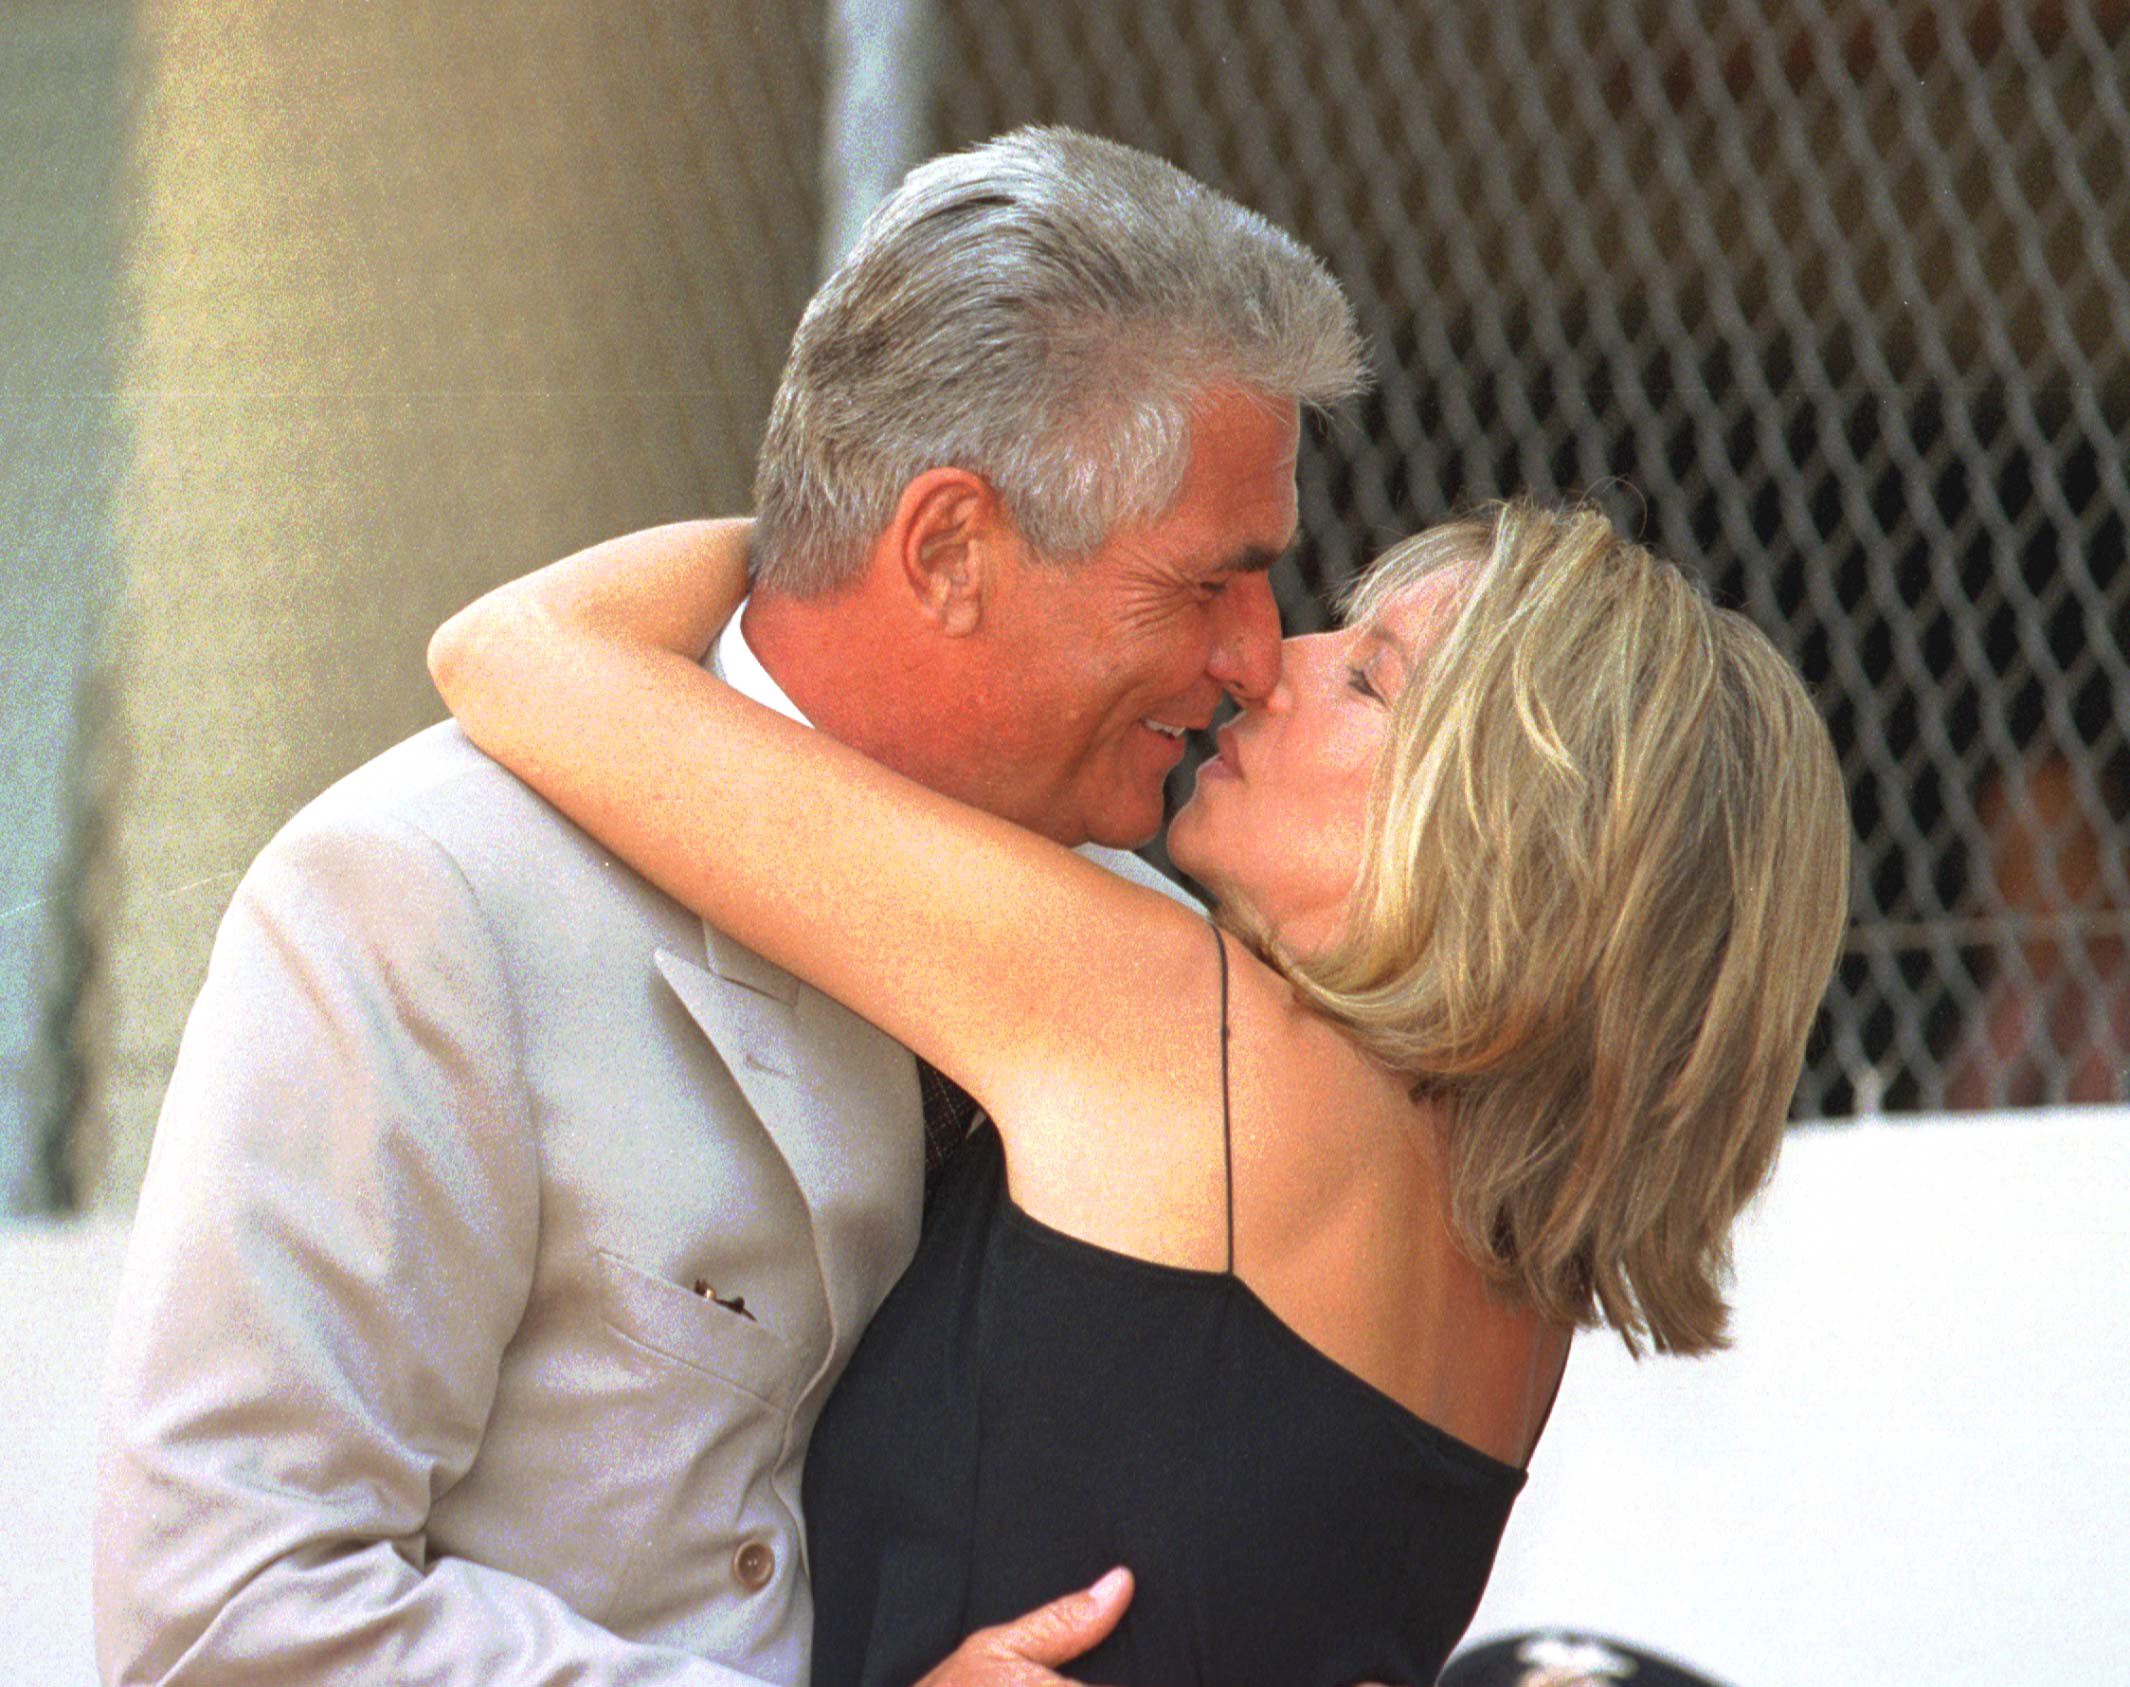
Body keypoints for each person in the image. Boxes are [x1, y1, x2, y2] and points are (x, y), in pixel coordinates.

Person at [92, 127, 1363, 1687]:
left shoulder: (1126, 933)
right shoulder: (429, 894)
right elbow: (221, 1613)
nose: (1257, 655)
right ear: (950, 548)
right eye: (1202, 584)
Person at [428, 497, 1855, 1685]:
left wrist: (892, 542)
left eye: (1367, 679)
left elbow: (524, 654)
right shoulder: (1510, 1289)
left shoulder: (1190, 1036)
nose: (1268, 659)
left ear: (1513, 842)